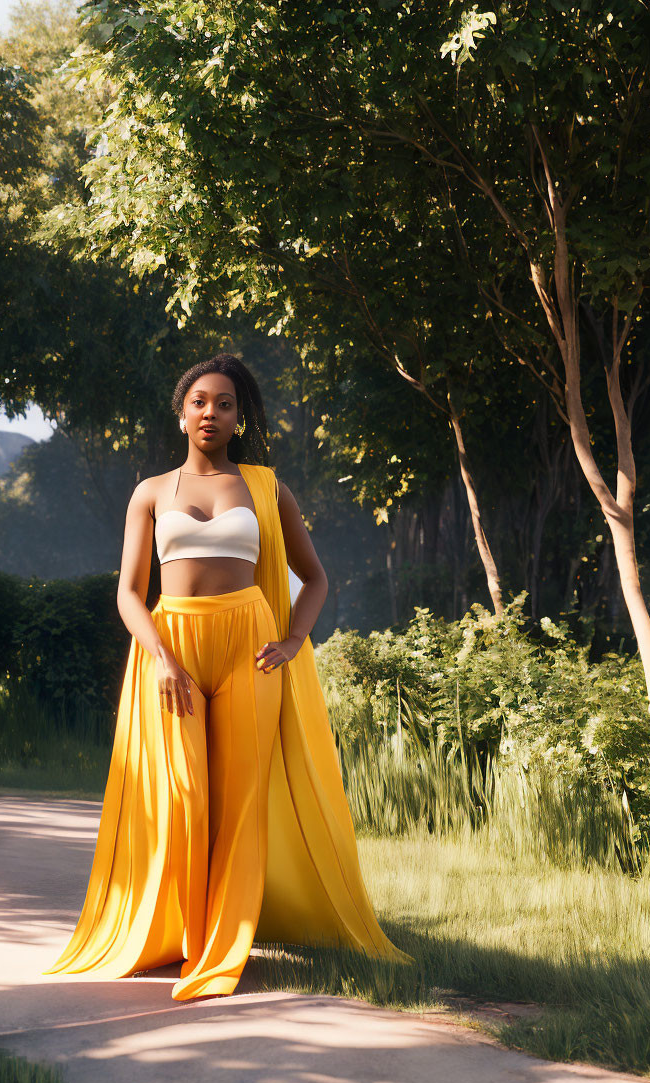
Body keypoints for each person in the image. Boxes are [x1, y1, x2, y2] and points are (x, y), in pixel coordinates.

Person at [42, 353, 410, 1002]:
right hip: (173, 649)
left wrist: (295, 638)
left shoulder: (267, 489)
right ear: (181, 413)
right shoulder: (151, 492)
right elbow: (130, 594)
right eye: (200, 401)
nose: (211, 412)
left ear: (240, 419)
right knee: (185, 799)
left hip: (250, 647)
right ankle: (187, 938)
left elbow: (316, 577)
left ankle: (220, 952)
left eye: (226, 403)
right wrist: (160, 656)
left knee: (240, 803)